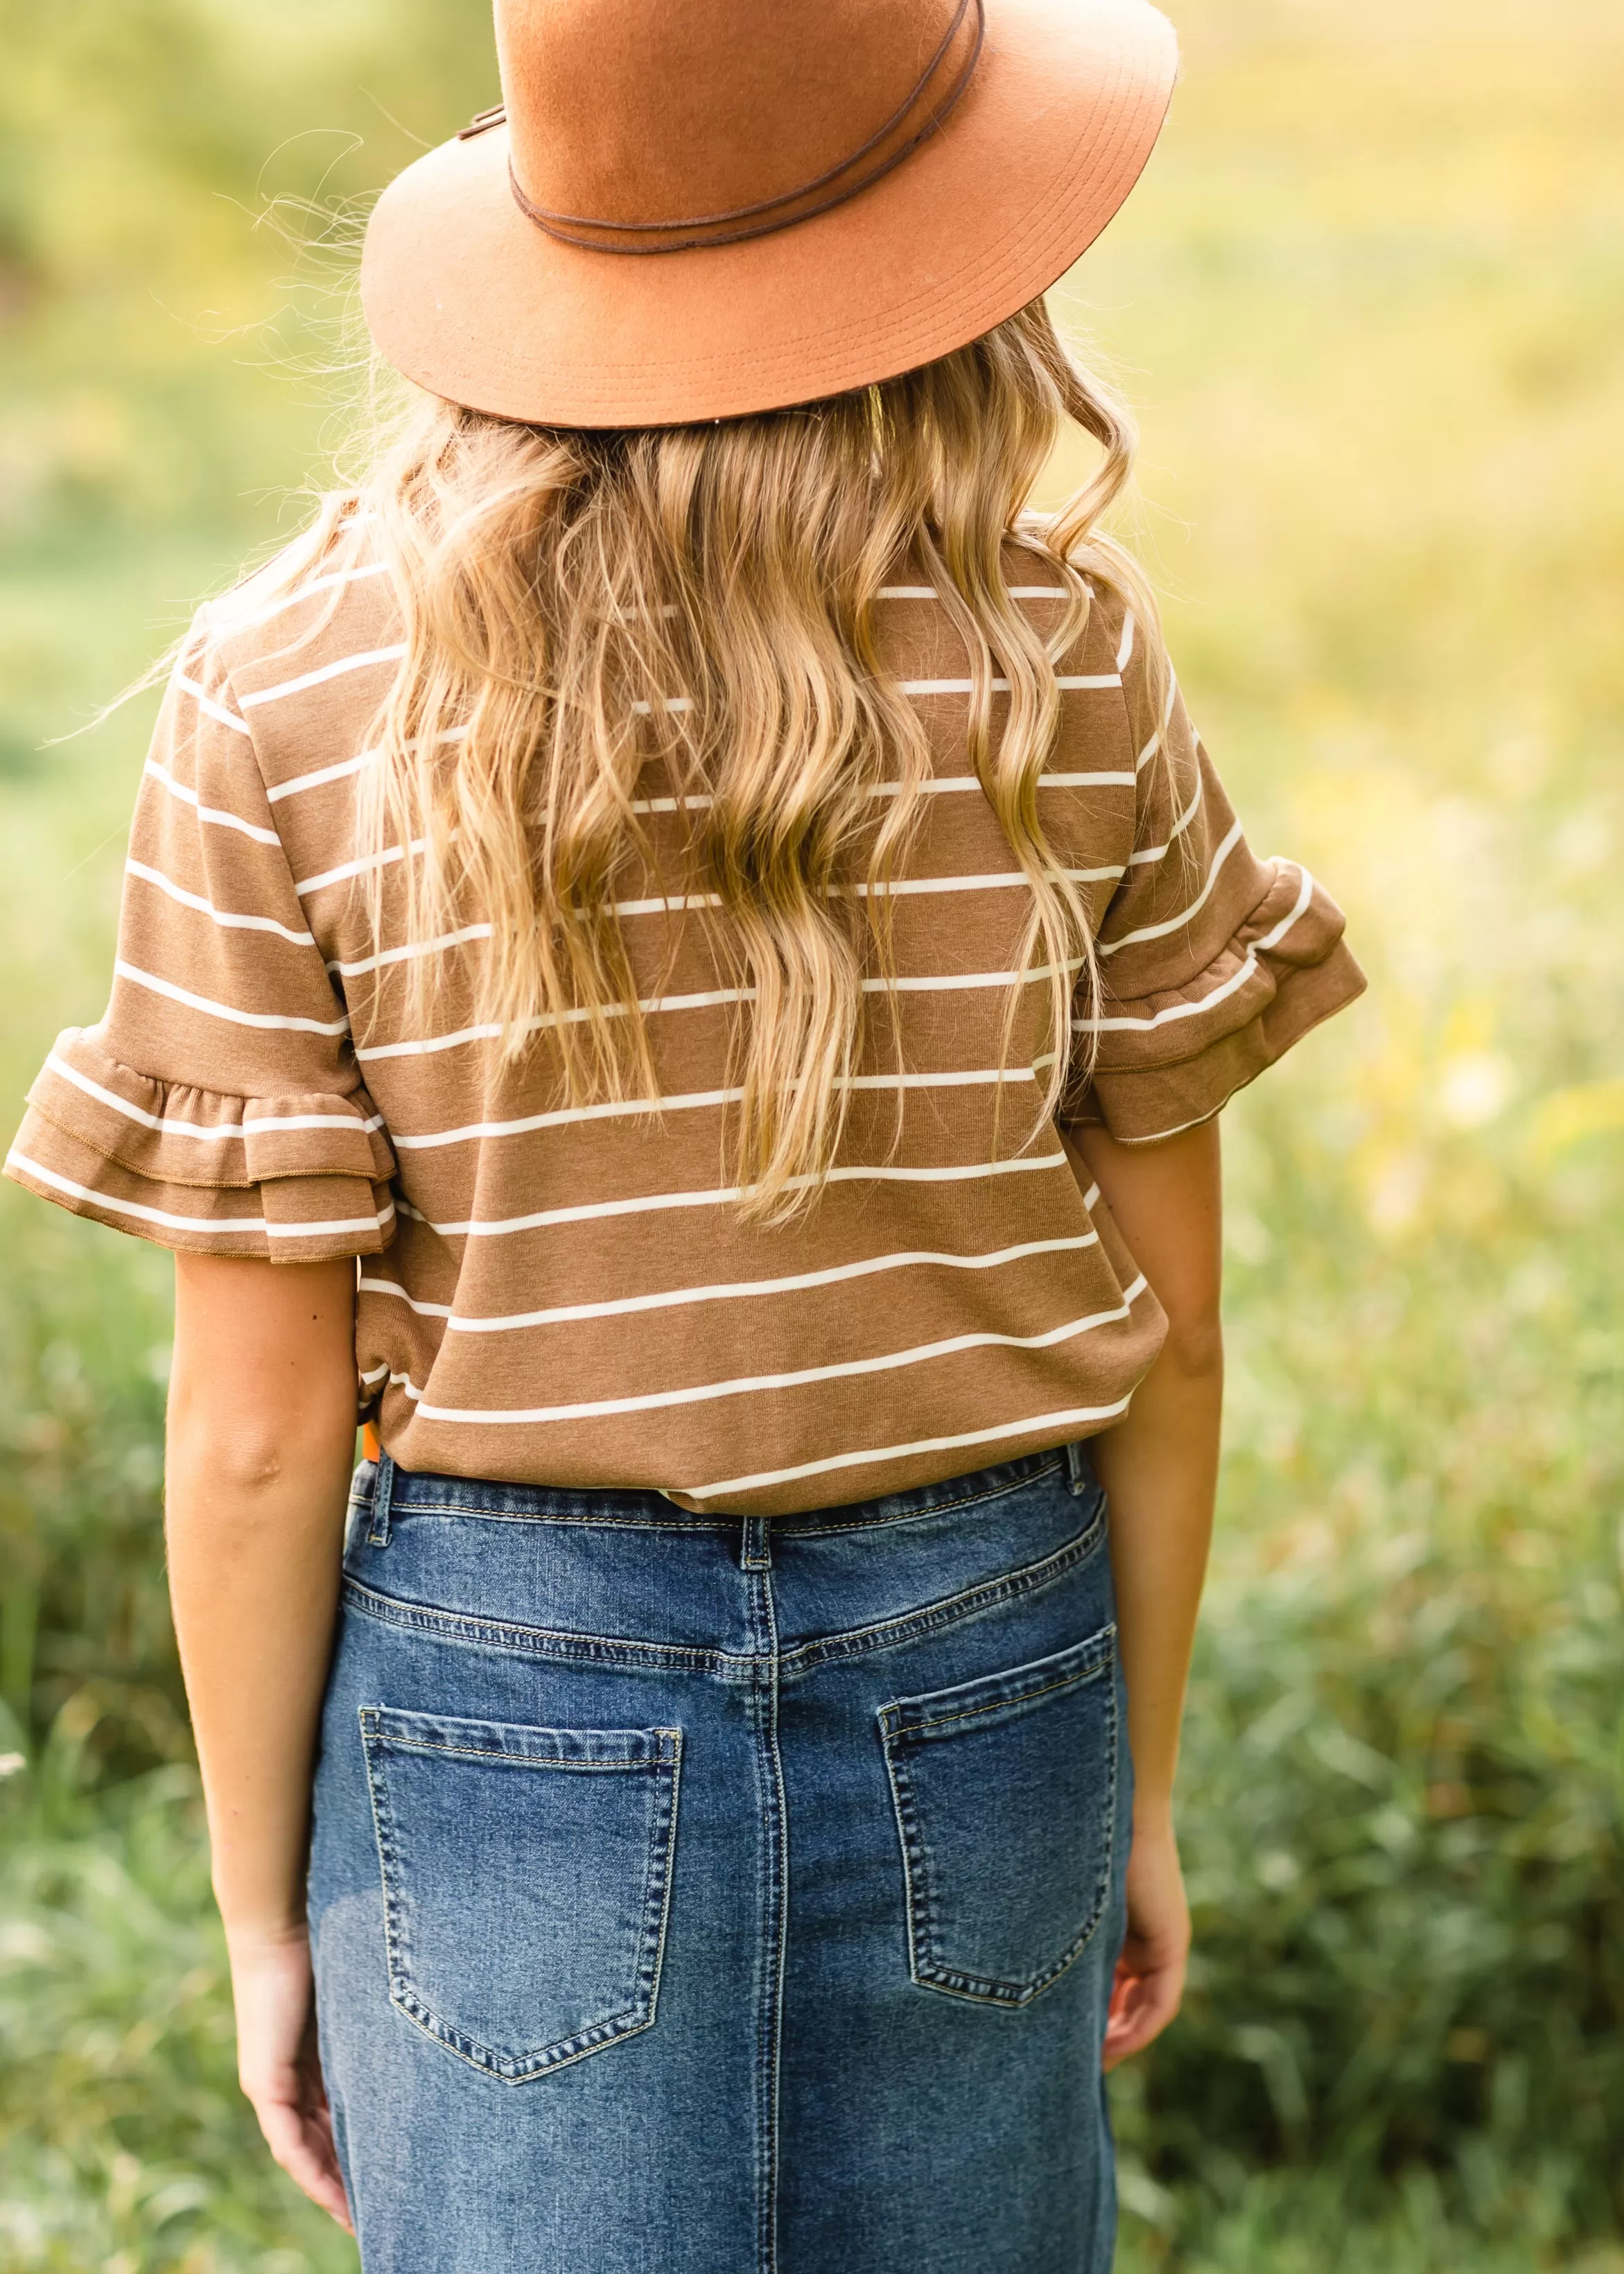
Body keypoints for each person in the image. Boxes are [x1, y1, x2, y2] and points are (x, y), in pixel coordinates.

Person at [5, 0, 1365, 2265]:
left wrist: (268, 1917)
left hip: (497, 1707)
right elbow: (1174, 1328)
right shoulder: (1060, 661)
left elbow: (252, 1435)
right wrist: (1127, 1781)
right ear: (947, 258)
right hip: (994, 1658)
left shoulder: (282, 692)